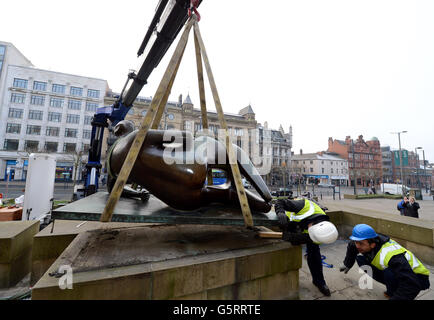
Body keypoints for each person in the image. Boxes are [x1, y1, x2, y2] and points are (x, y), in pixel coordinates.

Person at [339, 224, 430, 300]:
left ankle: (394, 292)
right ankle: (393, 288)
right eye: (356, 242)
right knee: (361, 260)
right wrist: (347, 264)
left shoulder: (391, 255)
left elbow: (411, 285)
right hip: (401, 271)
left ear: (373, 244)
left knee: (389, 273)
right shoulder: (364, 242)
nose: (357, 245)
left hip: (417, 277)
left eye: (361, 243)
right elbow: (352, 246)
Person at [275, 197, 338, 296]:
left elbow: (309, 238)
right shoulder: (303, 205)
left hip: (300, 228)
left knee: (314, 255)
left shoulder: (322, 231)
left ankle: (319, 282)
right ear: (313, 224)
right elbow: (280, 201)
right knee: (291, 243)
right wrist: (280, 213)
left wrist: (297, 238)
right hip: (288, 223)